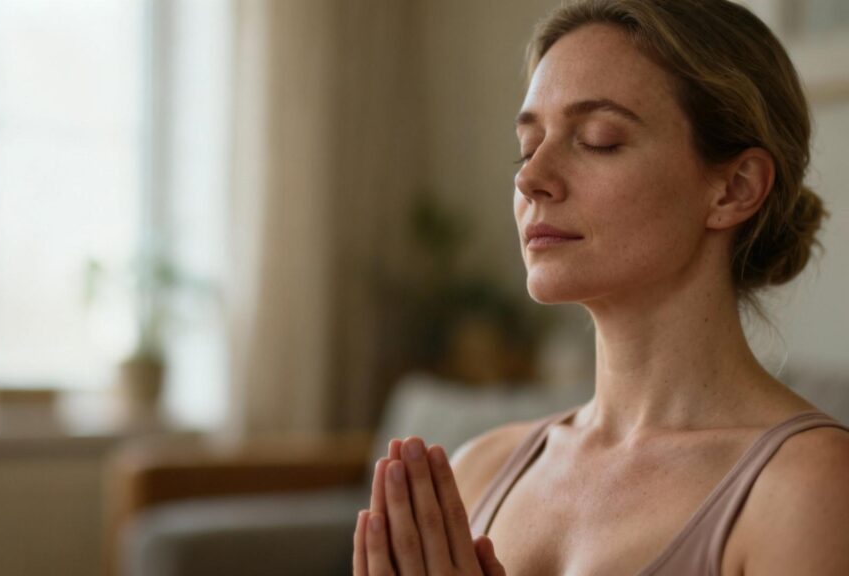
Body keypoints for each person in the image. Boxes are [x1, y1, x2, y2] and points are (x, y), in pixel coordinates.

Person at [352, 0, 849, 574]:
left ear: (734, 188)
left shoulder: (812, 487)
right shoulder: (474, 473)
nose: (530, 178)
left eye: (598, 139)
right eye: (528, 144)